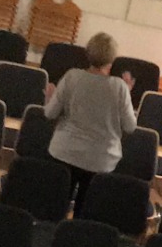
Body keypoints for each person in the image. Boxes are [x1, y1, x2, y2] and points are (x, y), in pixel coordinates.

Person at [43, 32, 136, 205]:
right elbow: (130, 126)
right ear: (112, 59)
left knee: (55, 207)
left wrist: (49, 98)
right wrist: (125, 95)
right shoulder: (120, 87)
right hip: (101, 160)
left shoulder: (72, 76)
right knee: (85, 211)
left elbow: (50, 113)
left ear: (88, 53)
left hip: (65, 152)